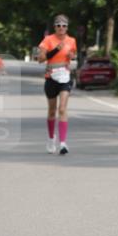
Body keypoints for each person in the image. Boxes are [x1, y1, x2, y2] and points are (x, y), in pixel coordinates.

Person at [38, 14, 77, 155]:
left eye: (64, 25)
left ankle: (63, 143)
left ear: (67, 27)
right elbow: (40, 59)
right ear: (55, 27)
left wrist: (72, 56)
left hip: (65, 77)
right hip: (51, 77)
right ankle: (50, 139)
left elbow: (73, 54)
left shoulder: (72, 40)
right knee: (52, 111)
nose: (61, 28)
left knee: (62, 109)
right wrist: (55, 50)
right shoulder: (48, 40)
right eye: (59, 25)